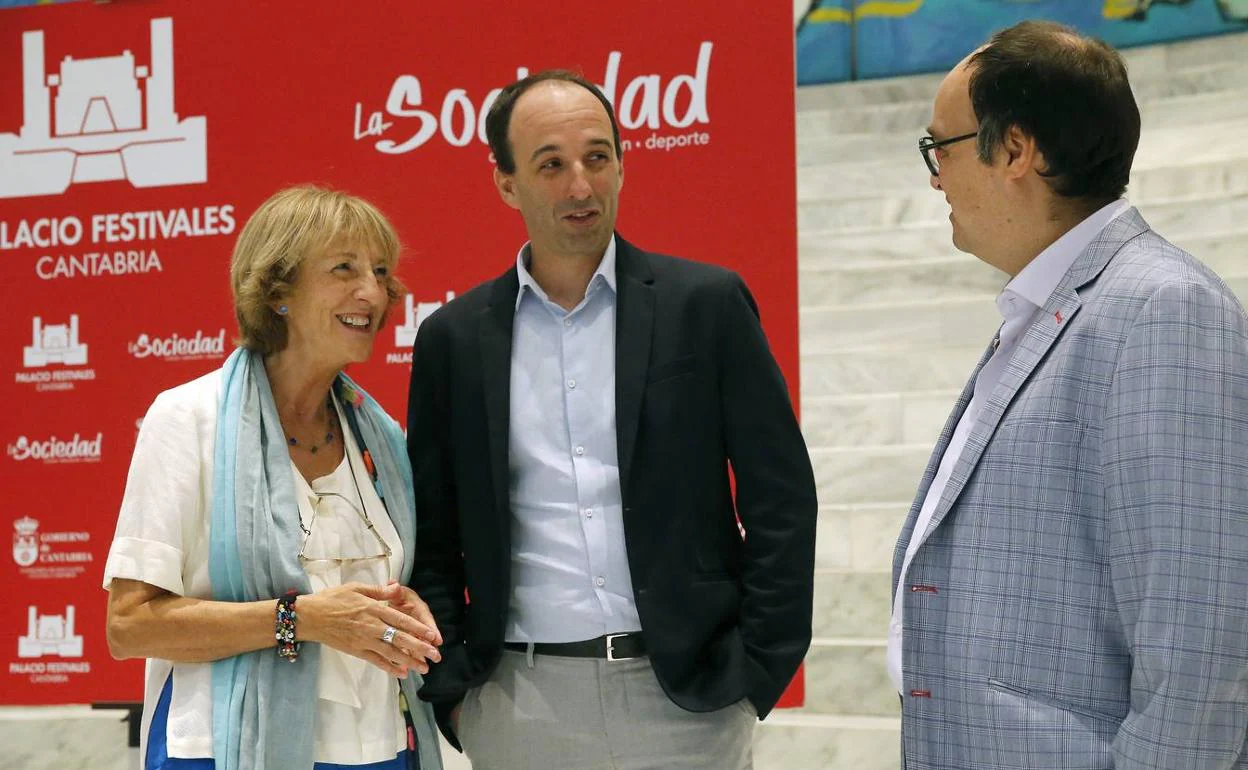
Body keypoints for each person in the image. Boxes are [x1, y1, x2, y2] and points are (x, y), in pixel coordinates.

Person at [406, 70, 818, 769]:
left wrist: (755, 672)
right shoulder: (453, 337)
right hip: (517, 702)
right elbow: (433, 534)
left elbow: (781, 496)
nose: (580, 186)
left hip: (685, 699)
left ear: (623, 164)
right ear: (506, 184)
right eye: (551, 164)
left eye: (598, 157)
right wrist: (454, 695)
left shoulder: (706, 305)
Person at [890, 20, 1248, 769]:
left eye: (941, 148)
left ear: (1016, 150)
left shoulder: (1161, 308)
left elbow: (1202, 638)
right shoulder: (1048, 309)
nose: (934, 177)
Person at [104, 185, 444, 770]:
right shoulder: (188, 417)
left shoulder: (382, 436)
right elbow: (129, 626)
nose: (374, 291)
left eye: (381, 271)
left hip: (380, 748)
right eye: (344, 268)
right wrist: (300, 620)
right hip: (221, 749)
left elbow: (368, 603)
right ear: (278, 292)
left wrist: (398, 610)